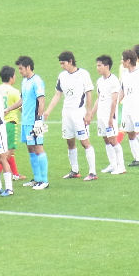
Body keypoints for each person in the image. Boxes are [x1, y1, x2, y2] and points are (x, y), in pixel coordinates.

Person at [43, 51, 97, 181]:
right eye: (60, 63)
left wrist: (89, 112)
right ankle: (75, 170)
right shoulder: (62, 76)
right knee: (69, 141)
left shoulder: (83, 74)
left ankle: (92, 172)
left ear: (71, 61)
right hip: (66, 113)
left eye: (63, 63)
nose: (62, 66)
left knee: (84, 142)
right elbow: (57, 95)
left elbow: (89, 94)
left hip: (79, 113)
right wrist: (47, 111)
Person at [12, 55, 49, 189]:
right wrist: (8, 109)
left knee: (38, 147)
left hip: (35, 121)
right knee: (30, 148)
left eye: (21, 69)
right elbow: (22, 100)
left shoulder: (37, 81)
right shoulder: (24, 81)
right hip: (26, 121)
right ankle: (37, 178)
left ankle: (44, 180)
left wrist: (39, 120)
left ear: (28, 67)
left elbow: (41, 101)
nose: (19, 71)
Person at [89, 55, 124, 174]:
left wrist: (110, 118)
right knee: (106, 139)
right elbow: (99, 98)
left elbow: (114, 100)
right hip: (101, 115)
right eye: (97, 65)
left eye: (99, 65)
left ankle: (121, 167)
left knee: (113, 140)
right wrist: (91, 113)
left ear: (107, 66)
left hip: (110, 116)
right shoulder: (99, 81)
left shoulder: (114, 81)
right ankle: (113, 165)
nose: (97, 68)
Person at [119, 49, 139, 169]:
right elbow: (122, 91)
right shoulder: (124, 74)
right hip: (126, 108)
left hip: (137, 108)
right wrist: (116, 104)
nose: (121, 61)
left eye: (123, 59)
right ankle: (137, 158)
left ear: (128, 60)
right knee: (130, 134)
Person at [0, 65, 24, 180]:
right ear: (11, 77)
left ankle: (15, 174)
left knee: (4, 149)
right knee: (10, 149)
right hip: (10, 123)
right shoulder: (14, 92)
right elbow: (21, 107)